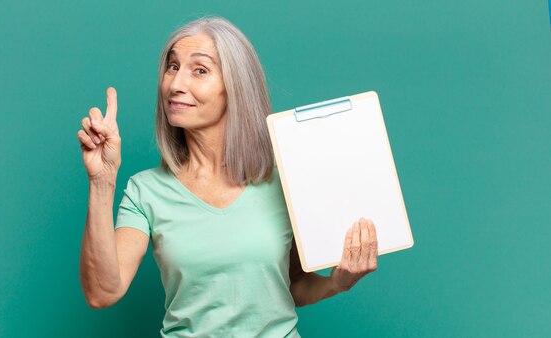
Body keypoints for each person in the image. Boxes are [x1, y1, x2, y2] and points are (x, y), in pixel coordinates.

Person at [78, 17, 378, 337]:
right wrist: (102, 181)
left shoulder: (285, 178)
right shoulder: (145, 191)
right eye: (172, 66)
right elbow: (102, 292)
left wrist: (337, 282)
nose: (176, 83)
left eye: (200, 70)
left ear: (235, 86)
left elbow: (291, 285)